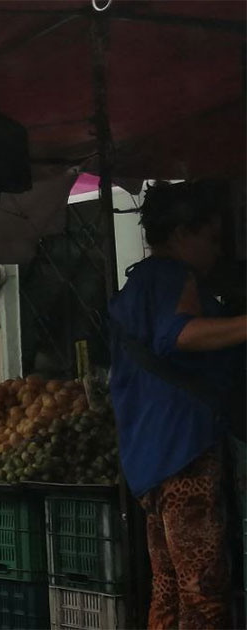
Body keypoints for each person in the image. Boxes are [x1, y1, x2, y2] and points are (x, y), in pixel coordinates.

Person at [108, 181, 245, 629]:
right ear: (184, 233)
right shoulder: (174, 276)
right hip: (184, 454)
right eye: (212, 238)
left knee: (168, 591)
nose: (217, 250)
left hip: (148, 461)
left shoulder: (139, 284)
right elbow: (178, 336)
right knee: (203, 593)